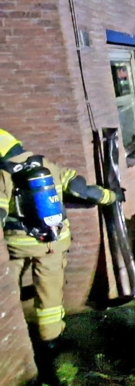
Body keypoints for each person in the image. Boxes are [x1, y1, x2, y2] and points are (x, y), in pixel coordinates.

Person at [0, 128, 124, 343]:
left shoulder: (4, 174)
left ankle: (14, 332)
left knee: (8, 288)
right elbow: (82, 190)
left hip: (18, 245)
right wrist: (112, 196)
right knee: (50, 297)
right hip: (53, 241)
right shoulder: (47, 164)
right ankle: (51, 338)